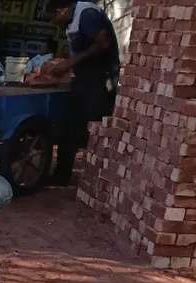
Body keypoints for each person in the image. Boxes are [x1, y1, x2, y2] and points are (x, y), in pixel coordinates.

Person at [49, 0, 119, 185]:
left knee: (89, 126)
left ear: (62, 9)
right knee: (71, 125)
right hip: (86, 78)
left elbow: (103, 44)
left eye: (55, 17)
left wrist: (71, 62)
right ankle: (62, 175)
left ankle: (94, 178)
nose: (55, 22)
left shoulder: (87, 14)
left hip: (100, 79)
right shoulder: (74, 19)